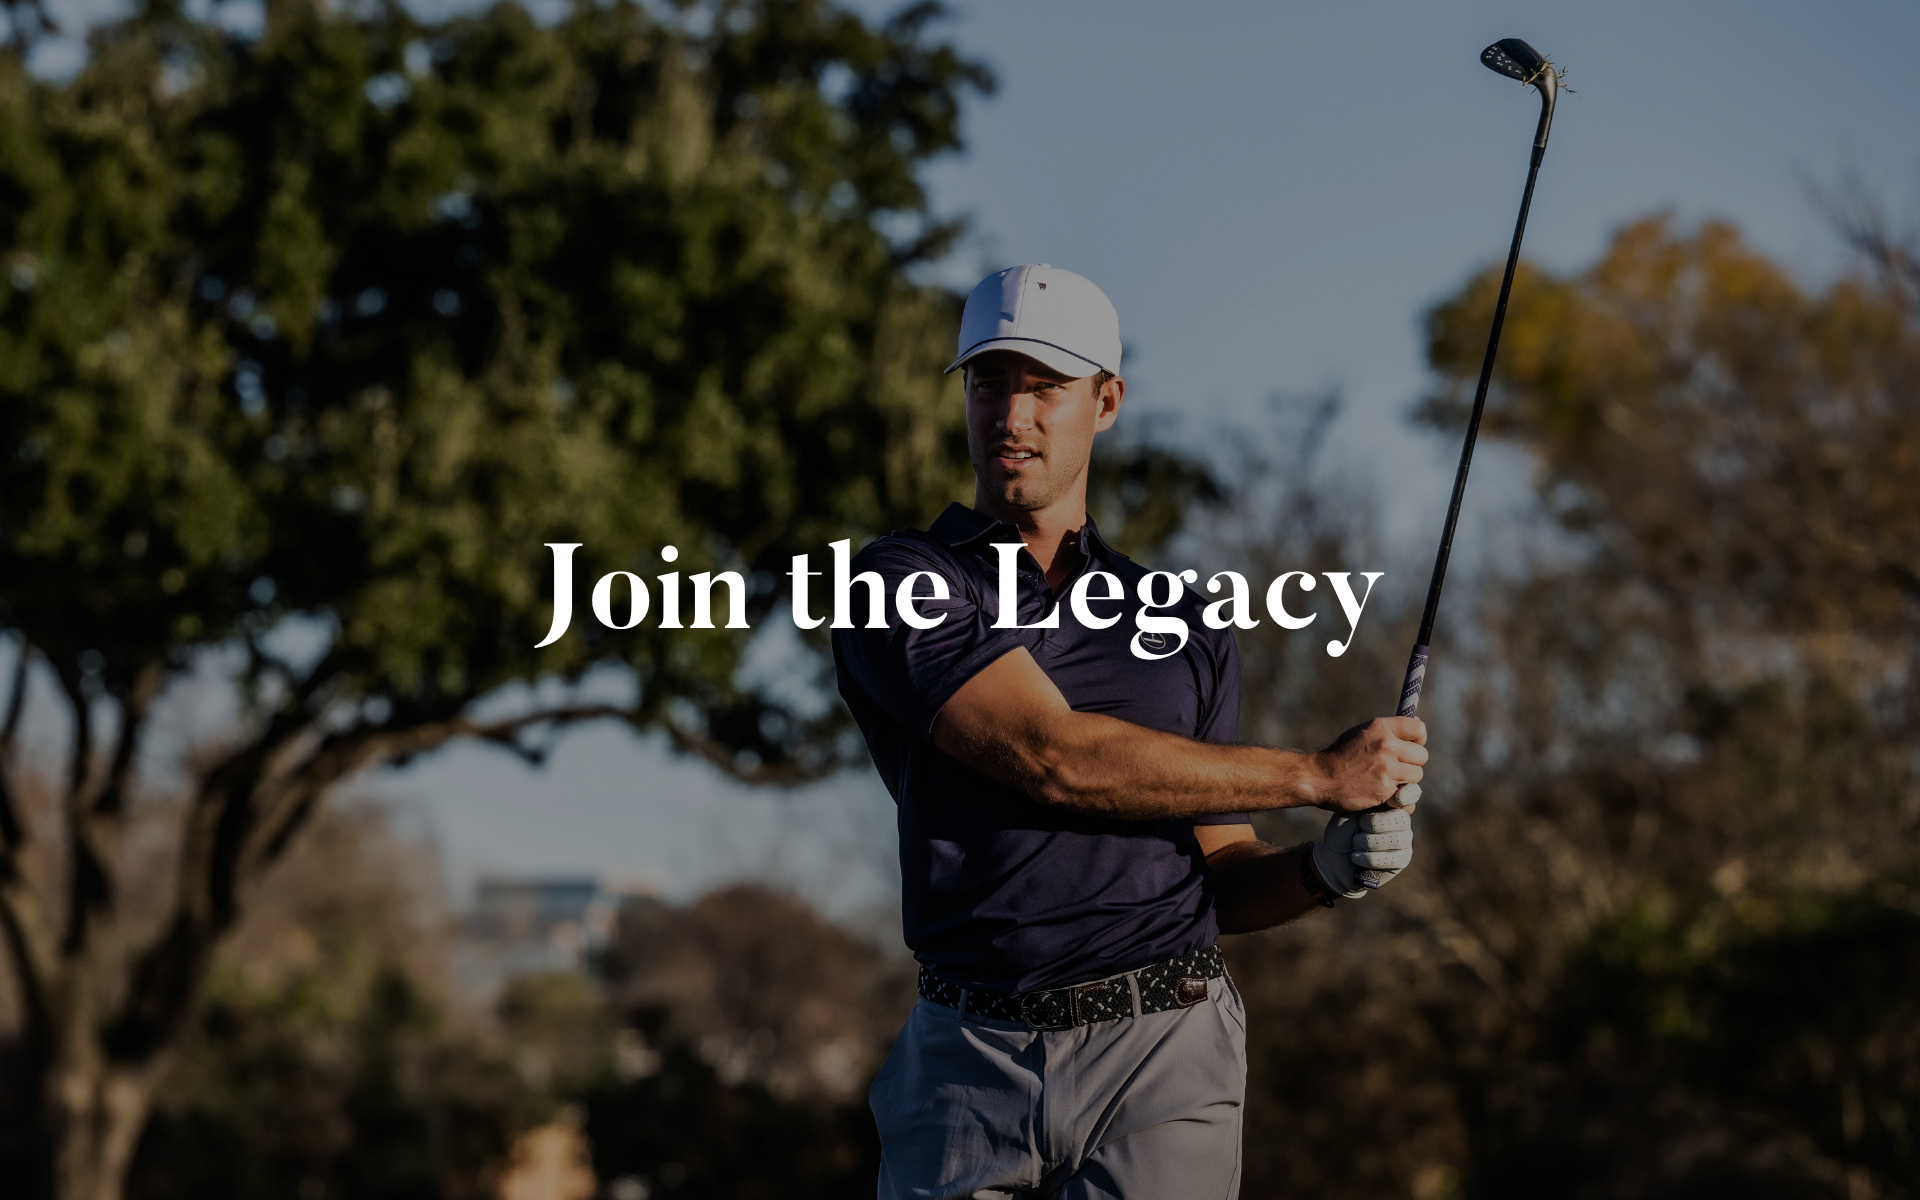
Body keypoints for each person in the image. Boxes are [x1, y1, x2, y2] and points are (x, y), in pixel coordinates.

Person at [833, 264, 1426, 1200]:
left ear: (1105, 402)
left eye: (1045, 387)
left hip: (1164, 1052)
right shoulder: (902, 580)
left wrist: (1323, 869)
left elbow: (1220, 873)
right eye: (989, 383)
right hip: (965, 1065)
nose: (1011, 415)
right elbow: (1050, 756)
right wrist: (1318, 775)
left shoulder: (1185, 623)